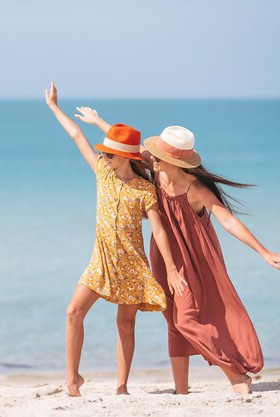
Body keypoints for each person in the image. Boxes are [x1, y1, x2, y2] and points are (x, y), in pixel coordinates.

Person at [75, 107, 280, 394]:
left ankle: (236, 375)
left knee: (187, 319)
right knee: (173, 320)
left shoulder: (196, 189)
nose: (150, 158)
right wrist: (97, 122)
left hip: (196, 258)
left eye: (157, 156)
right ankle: (181, 390)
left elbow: (228, 221)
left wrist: (264, 251)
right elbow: (125, 144)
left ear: (173, 161)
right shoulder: (155, 169)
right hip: (165, 254)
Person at [44, 83, 187, 397]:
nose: (104, 155)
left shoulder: (145, 189)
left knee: (125, 325)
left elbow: (159, 231)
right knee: (72, 312)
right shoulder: (102, 172)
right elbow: (76, 136)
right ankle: (72, 379)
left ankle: (121, 387)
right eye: (104, 152)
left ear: (124, 157)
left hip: (133, 264)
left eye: (109, 153)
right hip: (102, 261)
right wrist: (55, 108)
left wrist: (173, 269)